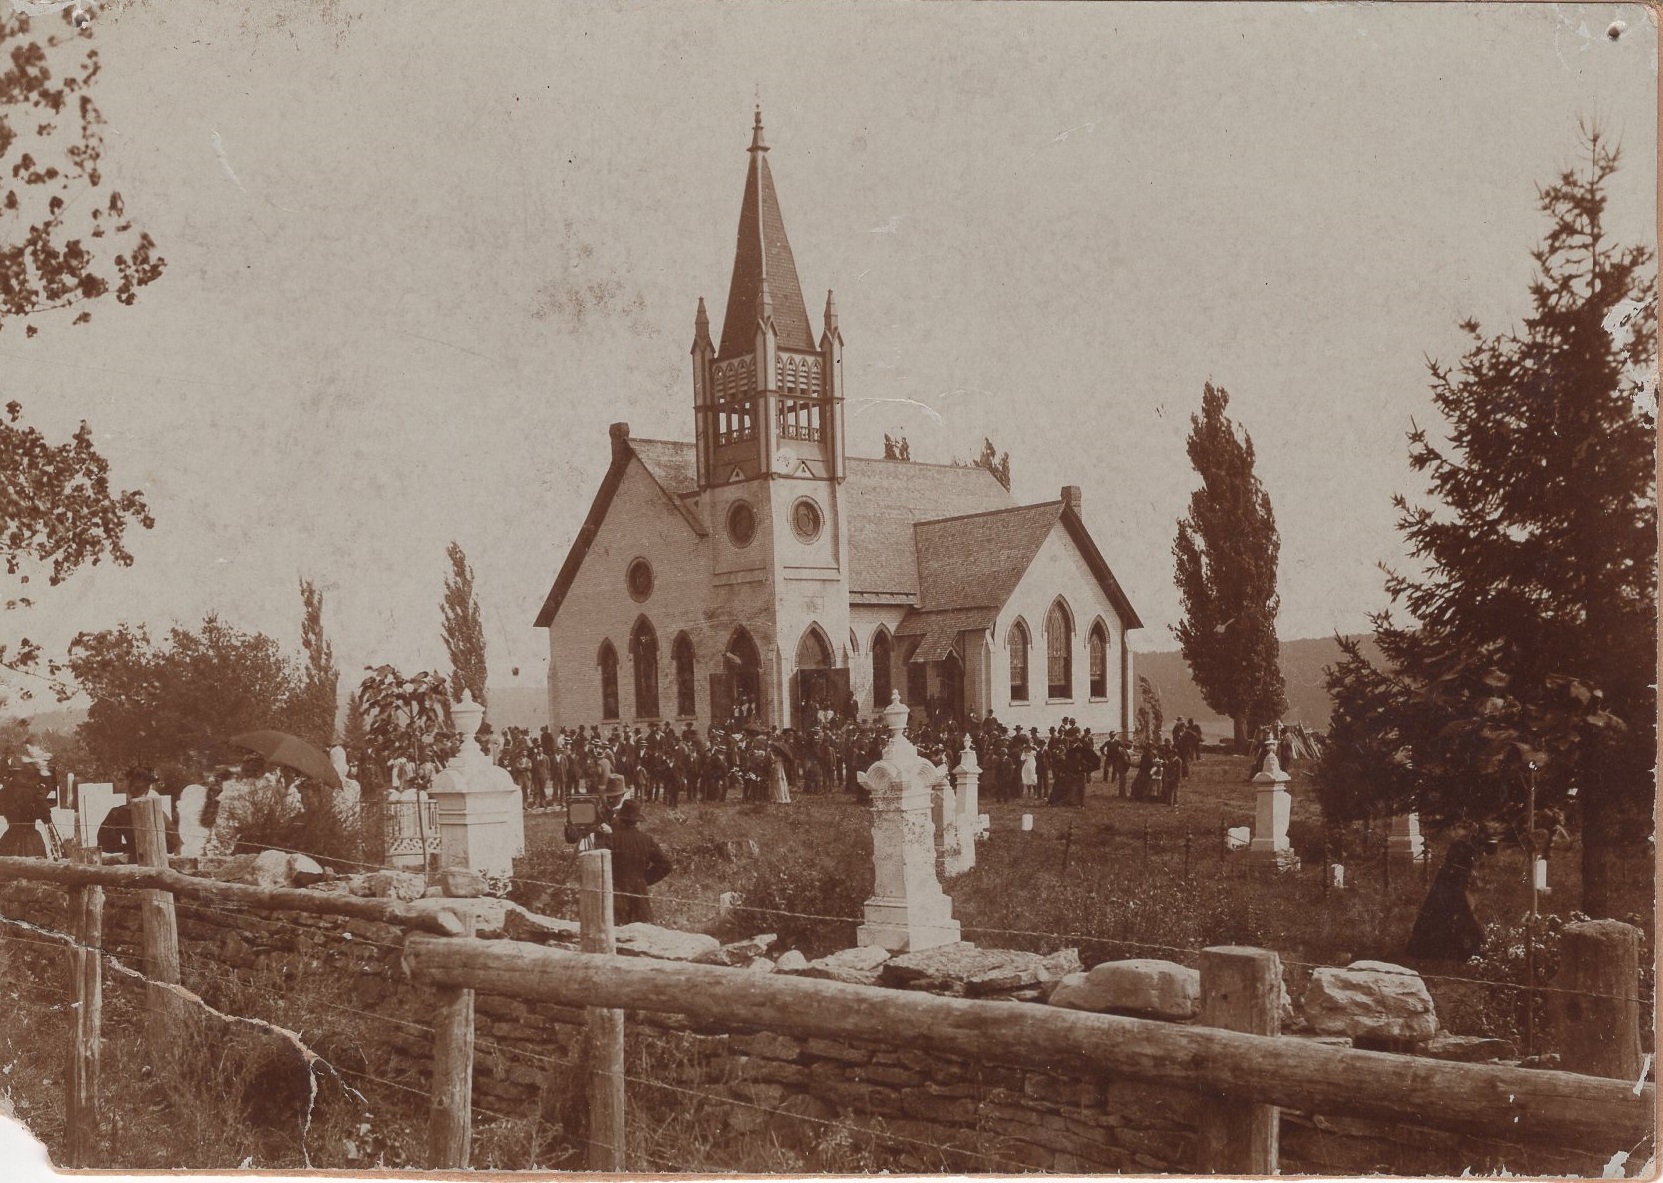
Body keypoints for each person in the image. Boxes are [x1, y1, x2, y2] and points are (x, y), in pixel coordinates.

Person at [1406, 824, 1501, 962]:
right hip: (1449, 884)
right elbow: (1454, 868)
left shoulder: (1473, 848)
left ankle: (1469, 949)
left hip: (1459, 884)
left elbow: (1472, 869)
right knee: (1449, 914)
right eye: (1483, 850)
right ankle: (1463, 949)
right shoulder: (1461, 846)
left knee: (1464, 914)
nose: (1483, 854)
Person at [595, 799, 672, 925]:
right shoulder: (647, 839)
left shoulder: (611, 838)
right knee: (641, 931)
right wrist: (644, 879)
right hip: (639, 895)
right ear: (637, 821)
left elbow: (598, 862)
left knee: (615, 930)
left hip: (616, 893)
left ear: (620, 818)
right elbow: (666, 865)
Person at [97, 768, 181, 862]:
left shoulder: (118, 813)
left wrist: (128, 847)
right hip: (156, 860)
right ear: (147, 791)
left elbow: (106, 845)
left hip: (132, 861)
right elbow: (172, 844)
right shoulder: (158, 812)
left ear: (129, 790)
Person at [0, 764, 54, 857]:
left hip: (10, 838)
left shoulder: (6, 792)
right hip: (31, 839)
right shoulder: (36, 793)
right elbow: (47, 819)